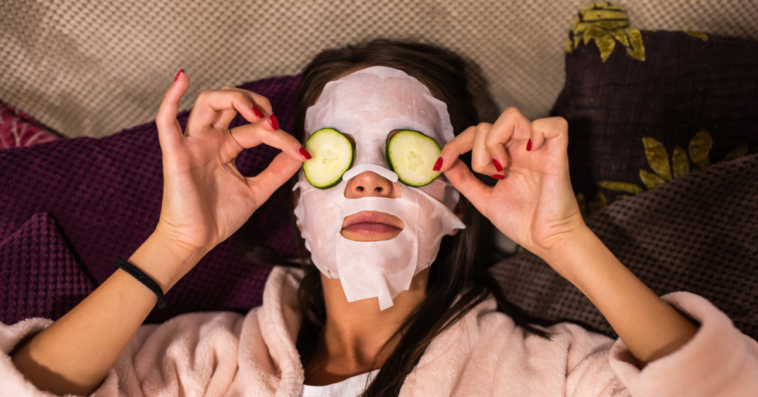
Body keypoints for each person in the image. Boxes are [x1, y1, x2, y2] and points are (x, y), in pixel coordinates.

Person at [3, 40, 757, 397]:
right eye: (338, 151)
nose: (368, 176)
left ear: (454, 193)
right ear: (298, 194)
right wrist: (174, 244)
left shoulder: (542, 375)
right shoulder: (197, 365)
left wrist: (566, 241)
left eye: (407, 151)